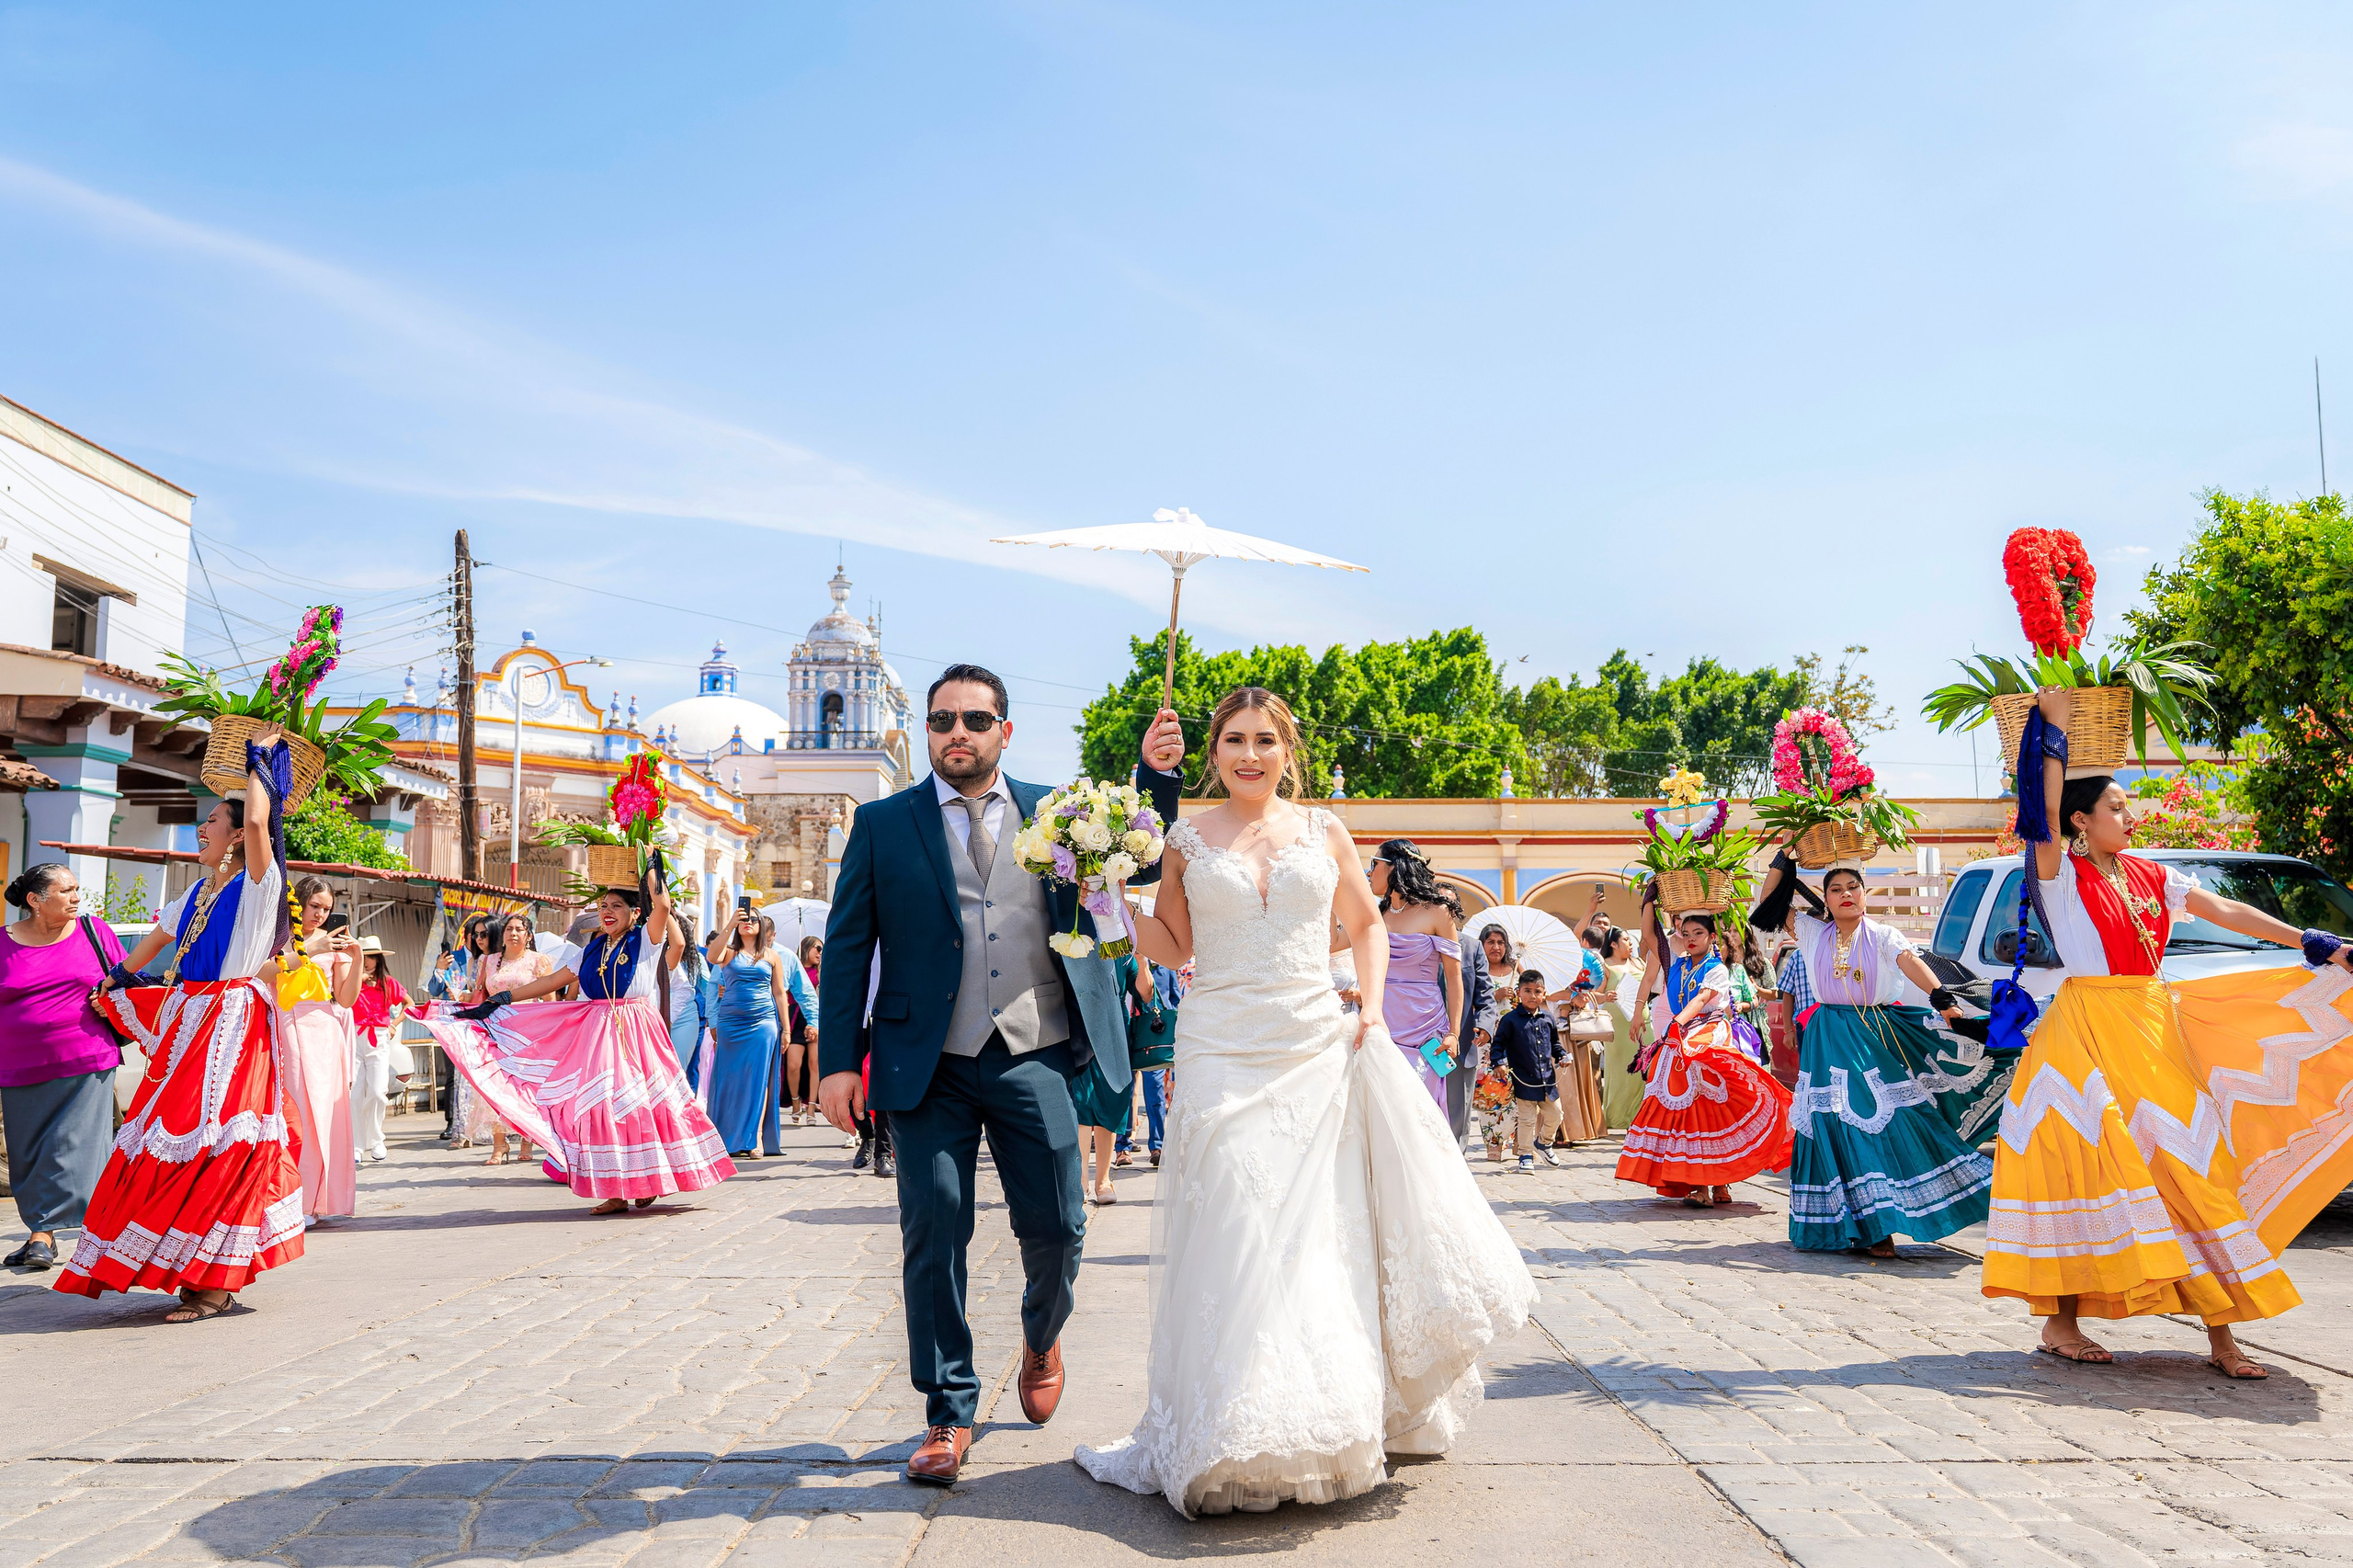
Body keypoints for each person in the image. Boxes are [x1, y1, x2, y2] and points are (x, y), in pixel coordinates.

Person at [1076, 686, 1535, 1517]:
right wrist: (1105, 904)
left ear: (1289, 749)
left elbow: (1366, 926)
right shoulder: (1181, 837)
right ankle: (1229, 1424)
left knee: (1310, 1230)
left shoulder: (1324, 830)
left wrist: (1365, 1002)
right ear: (1209, 752)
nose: (1249, 755)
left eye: (1264, 740)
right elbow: (1174, 944)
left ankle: (1316, 1416)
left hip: (1310, 1040)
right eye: (1233, 741)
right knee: (1237, 1222)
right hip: (1218, 1043)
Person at [817, 664, 1186, 1486]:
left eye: (975, 720)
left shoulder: (1060, 811)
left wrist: (1157, 776)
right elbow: (847, 950)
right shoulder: (881, 825)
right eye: (943, 720)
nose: (958, 734)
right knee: (934, 1231)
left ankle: (1041, 1332)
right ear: (927, 731)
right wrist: (840, 1061)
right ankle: (948, 1413)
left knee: (1059, 1224)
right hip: (926, 1063)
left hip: (1036, 1047)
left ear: (1004, 732)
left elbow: (1146, 848)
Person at [1984, 687, 2353, 1376]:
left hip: (2153, 1028)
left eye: (2128, 805)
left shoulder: (2154, 875)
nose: (2131, 815)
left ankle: (2223, 1334)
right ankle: (2060, 1325)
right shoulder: (2057, 875)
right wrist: (2054, 730)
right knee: (2087, 1171)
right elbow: (2038, 814)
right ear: (2081, 822)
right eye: (2116, 807)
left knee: (2195, 1168)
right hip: (2085, 1033)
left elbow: (2226, 908)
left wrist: (2312, 940)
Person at [71, 733, 304, 1320]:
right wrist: (118, 976)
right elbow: (157, 938)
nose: (202, 829)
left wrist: (259, 762)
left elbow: (258, 826)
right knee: (161, 1137)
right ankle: (190, 1267)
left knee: (219, 1143)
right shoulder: (198, 892)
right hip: (192, 1023)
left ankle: (214, 1281)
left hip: (232, 1023)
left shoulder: (260, 887)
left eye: (212, 821)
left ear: (235, 836)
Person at [423, 864, 734, 1215]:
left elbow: (661, 908)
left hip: (635, 1028)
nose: (607, 911)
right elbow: (553, 980)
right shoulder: (591, 948)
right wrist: (504, 999)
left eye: (616, 906)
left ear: (635, 913)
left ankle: (648, 1179)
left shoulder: (645, 940)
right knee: (601, 1106)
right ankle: (617, 1190)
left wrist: (651, 869)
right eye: (603, 906)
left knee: (640, 1105)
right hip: (598, 1029)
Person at [1750, 851, 1997, 1256]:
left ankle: (1881, 1223)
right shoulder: (1812, 932)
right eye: (1835, 889)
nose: (1845, 894)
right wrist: (1787, 851)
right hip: (1827, 1034)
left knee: (1872, 1121)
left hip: (1872, 1033)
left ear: (1865, 894)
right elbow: (1770, 897)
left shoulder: (1884, 935)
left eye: (1853, 887)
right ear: (1825, 899)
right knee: (1830, 1125)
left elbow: (1910, 963)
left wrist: (1942, 999)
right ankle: (1851, 1223)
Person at [1617, 903, 1794, 1209]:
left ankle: (1719, 1180)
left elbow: (1702, 998)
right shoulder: (1679, 965)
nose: (1691, 939)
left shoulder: (1717, 968)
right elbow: (1649, 934)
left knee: (1716, 1110)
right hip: (1682, 1035)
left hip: (1708, 1035)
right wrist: (1649, 899)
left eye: (1698, 933)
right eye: (1685, 934)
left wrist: (1678, 1023)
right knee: (1692, 1113)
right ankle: (1700, 1183)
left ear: (1713, 936)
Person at [0, 864, 125, 1270]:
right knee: (27, 1152)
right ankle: (42, 1229)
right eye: (66, 890)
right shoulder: (3, 944)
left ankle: (46, 1235)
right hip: (18, 1065)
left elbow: (127, 981)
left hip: (87, 1058)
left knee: (72, 1147)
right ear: (35, 901)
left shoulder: (93, 931)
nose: (76, 897)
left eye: (76, 889)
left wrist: (110, 1001)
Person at [278, 876, 360, 1225]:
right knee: (291, 1114)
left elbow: (345, 999)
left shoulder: (333, 946)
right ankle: (288, 1196)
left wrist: (355, 958)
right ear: (300, 902)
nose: (321, 915)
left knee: (323, 1117)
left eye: (327, 909)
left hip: (324, 1031)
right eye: (315, 906)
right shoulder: (278, 937)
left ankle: (314, 1200)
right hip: (283, 1026)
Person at [1365, 838, 1463, 1110]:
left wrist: (1454, 1033)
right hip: (1382, 1021)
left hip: (1425, 1025)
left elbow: (1455, 979)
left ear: (1395, 867)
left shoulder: (1438, 912)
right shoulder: (1376, 913)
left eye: (1375, 864)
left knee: (1421, 1105)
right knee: (1383, 1105)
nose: (1369, 871)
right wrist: (1333, 895)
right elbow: (1334, 944)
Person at [705, 907, 805, 1159]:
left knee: (758, 1080)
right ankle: (725, 1136)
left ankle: (755, 1136)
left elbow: (780, 993)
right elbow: (711, 955)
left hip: (763, 1022)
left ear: (761, 925)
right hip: (731, 1022)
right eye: (743, 919)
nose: (747, 922)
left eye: (752, 919)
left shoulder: (772, 956)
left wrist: (787, 1029)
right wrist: (729, 923)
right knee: (729, 1079)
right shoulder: (729, 953)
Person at [467, 915, 555, 1165]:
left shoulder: (539, 961)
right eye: (509, 929)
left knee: (525, 1087)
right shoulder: (488, 960)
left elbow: (550, 1001)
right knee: (495, 1085)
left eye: (519, 929)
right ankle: (499, 1144)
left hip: (529, 1032)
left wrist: (550, 1035)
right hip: (496, 1029)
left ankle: (527, 1139)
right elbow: (480, 994)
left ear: (528, 936)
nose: (513, 933)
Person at [1492, 970, 1567, 1172]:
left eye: (1537, 991)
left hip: (1547, 1080)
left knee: (1556, 1114)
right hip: (1523, 1079)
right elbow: (1498, 1045)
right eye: (1528, 991)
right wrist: (1498, 1062)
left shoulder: (1548, 1019)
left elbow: (1555, 1045)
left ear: (1544, 994)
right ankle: (1525, 1155)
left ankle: (1543, 1143)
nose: (1533, 996)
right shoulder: (1510, 1020)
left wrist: (1562, 1056)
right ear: (1518, 992)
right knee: (1527, 1119)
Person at [350, 937, 411, 1163]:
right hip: (354, 1036)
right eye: (363, 956)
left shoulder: (388, 982)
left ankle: (376, 1139)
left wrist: (394, 1025)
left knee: (377, 1091)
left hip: (379, 1036)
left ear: (378, 959)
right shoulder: (351, 979)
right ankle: (357, 1144)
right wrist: (358, 978)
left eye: (371, 956)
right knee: (354, 1094)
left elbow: (410, 1003)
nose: (367, 961)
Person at [441, 915, 497, 1147]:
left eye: (484, 934)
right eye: (476, 935)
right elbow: (475, 992)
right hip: (474, 1019)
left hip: (498, 1020)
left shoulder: (500, 960)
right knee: (464, 1077)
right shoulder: (476, 961)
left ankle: (497, 1131)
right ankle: (463, 1130)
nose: (479, 939)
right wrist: (460, 995)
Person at [1598, 926, 1647, 1128]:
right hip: (1617, 1024)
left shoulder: (1639, 962)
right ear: (1613, 944)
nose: (1630, 943)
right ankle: (1618, 1116)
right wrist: (1606, 997)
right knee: (1620, 1070)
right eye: (1626, 939)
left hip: (1644, 1021)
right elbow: (1596, 994)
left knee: (1645, 1066)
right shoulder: (1605, 966)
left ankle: (1642, 1114)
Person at [667, 912, 712, 1083]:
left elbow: (709, 990)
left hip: (685, 1019)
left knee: (677, 1070)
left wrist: (715, 1016)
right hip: (654, 1015)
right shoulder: (651, 953)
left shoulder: (696, 958)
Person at [783, 935, 821, 1126]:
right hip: (794, 1018)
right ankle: (796, 1102)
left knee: (815, 1064)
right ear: (806, 947)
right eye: (817, 948)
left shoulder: (821, 971)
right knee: (793, 1065)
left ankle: (812, 1106)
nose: (820, 953)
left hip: (815, 1019)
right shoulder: (791, 966)